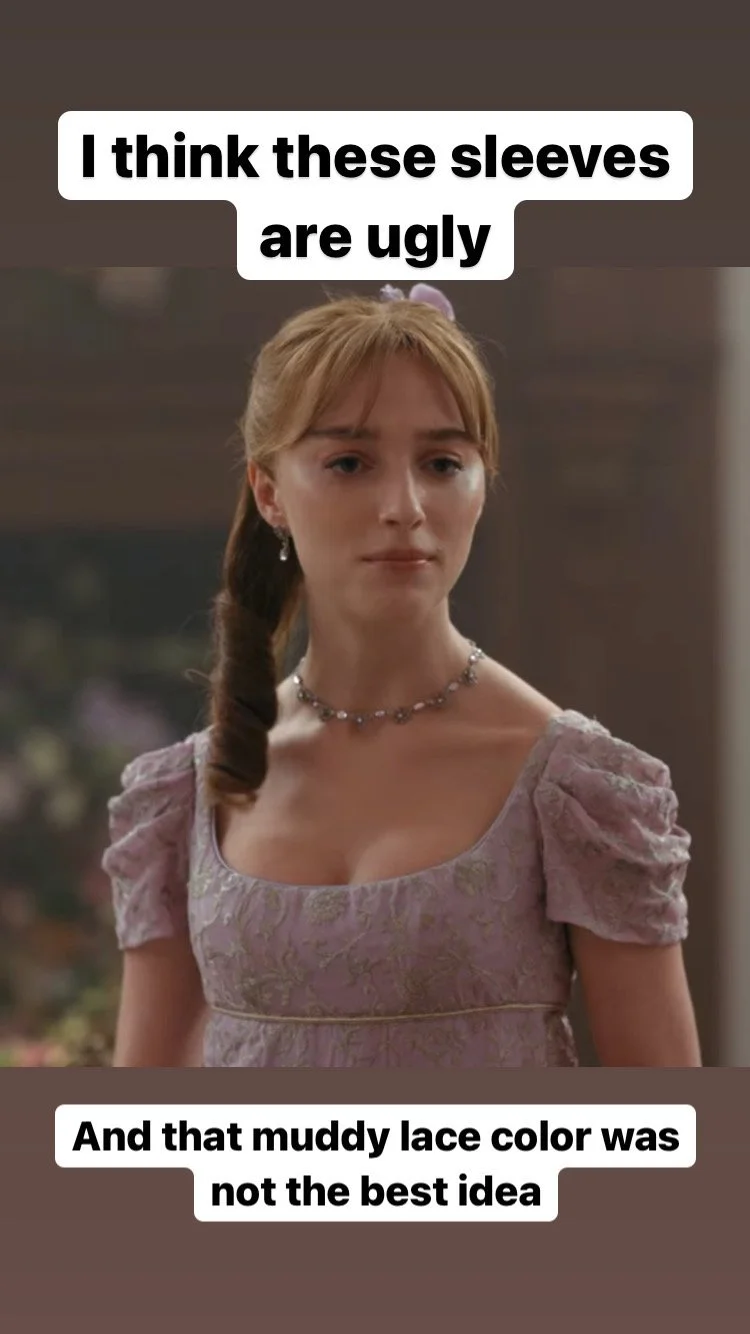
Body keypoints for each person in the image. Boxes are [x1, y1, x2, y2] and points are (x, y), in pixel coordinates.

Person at [102, 283, 701, 1069]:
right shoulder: (188, 792)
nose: (405, 506)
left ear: (483, 483)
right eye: (350, 462)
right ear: (270, 492)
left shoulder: (576, 787)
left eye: (443, 463)